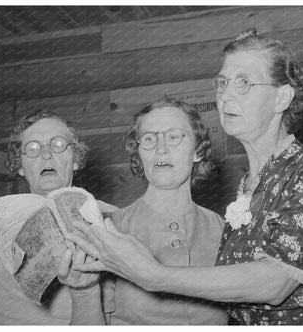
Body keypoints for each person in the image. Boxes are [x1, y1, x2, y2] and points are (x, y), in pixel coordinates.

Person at [71, 28, 303, 325]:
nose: (225, 95)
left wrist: (152, 274)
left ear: (282, 98)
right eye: (222, 83)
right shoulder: (248, 188)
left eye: (244, 83)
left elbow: (275, 283)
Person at [70, 98, 228, 324]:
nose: (160, 149)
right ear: (139, 153)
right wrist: (83, 293)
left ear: (197, 151)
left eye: (174, 137)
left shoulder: (222, 229)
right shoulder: (108, 230)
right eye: (149, 138)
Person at [0, 110, 112, 325]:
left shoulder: (111, 220)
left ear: (75, 160)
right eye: (33, 148)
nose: (46, 155)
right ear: (20, 167)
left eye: (58, 145)